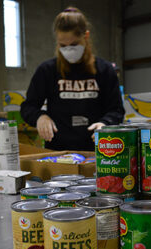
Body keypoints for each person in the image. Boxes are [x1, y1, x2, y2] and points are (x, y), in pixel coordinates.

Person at [20, 7, 125, 151]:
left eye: (74, 44)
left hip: (97, 151)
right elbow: (28, 107)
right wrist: (40, 117)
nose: (69, 50)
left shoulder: (105, 70)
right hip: (59, 152)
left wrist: (105, 124)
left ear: (86, 36)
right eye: (63, 45)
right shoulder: (47, 70)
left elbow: (117, 110)